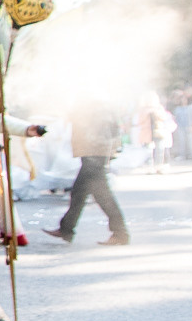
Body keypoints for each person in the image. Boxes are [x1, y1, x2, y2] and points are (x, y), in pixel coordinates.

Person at [40, 98, 129, 246]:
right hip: (94, 150)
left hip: (94, 151)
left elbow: (96, 126)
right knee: (79, 192)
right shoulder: (95, 102)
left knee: (101, 194)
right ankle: (66, 228)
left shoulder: (94, 103)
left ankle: (120, 233)